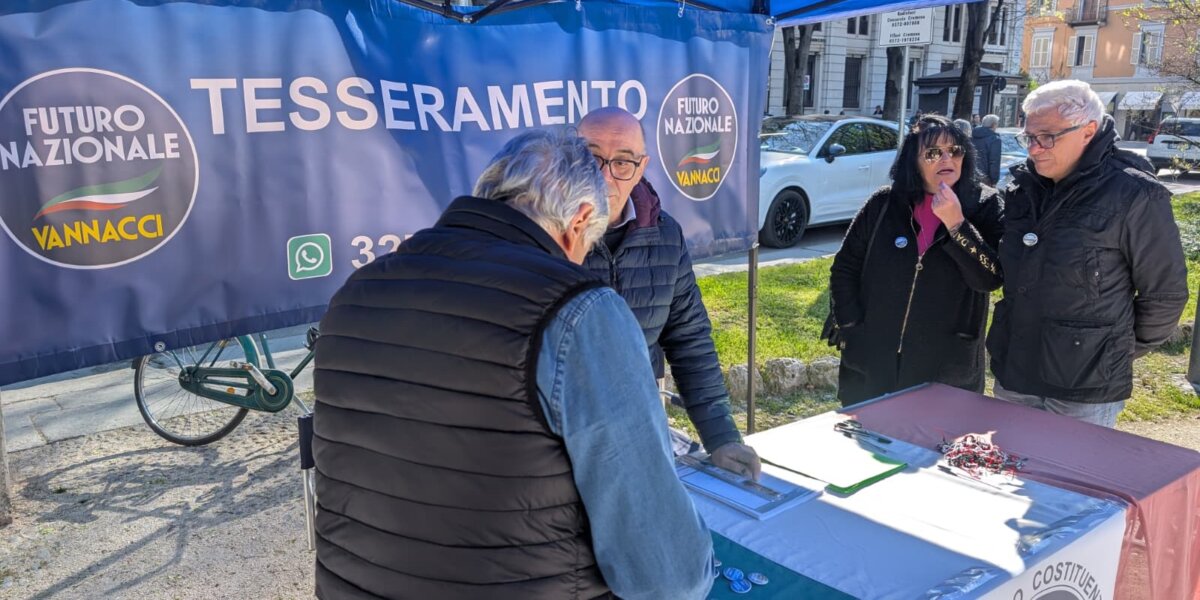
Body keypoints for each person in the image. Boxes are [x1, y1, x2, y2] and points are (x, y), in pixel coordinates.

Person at [311, 129, 714, 599]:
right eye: (587, 246)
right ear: (580, 220)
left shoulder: (356, 293)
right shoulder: (578, 310)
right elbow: (668, 574)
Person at [986, 80, 1188, 428]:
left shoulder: (1134, 194)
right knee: (1009, 460)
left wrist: (1110, 351)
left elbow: (1165, 294)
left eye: (1047, 137)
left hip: (1085, 385)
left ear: (1088, 131)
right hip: (1016, 369)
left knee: (1071, 465)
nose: (1034, 149)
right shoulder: (1022, 187)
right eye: (1029, 137)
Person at [578, 107, 761, 479]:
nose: (604, 176)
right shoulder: (541, 236)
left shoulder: (665, 236)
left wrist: (721, 438)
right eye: (590, 158)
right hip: (559, 445)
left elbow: (690, 340)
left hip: (636, 434)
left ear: (641, 167)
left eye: (622, 162)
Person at [828, 114, 1004, 406]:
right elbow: (845, 268)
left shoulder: (985, 205)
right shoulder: (884, 204)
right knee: (869, 432)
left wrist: (957, 226)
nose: (946, 159)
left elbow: (991, 278)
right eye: (933, 153)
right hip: (872, 362)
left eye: (955, 150)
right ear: (913, 160)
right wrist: (851, 326)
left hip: (945, 372)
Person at [971, 114, 1002, 186]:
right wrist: (994, 180)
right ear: (993, 125)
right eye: (997, 124)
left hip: (971, 174)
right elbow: (994, 161)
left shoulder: (973, 136)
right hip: (985, 178)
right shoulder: (995, 139)